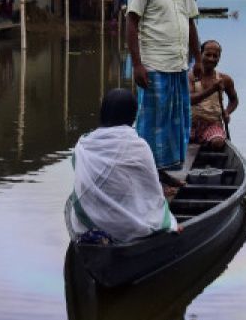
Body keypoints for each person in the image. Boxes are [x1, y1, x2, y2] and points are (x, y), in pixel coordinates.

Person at [126, 0, 201, 170]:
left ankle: (167, 171)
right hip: (153, 65)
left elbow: (190, 22)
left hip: (179, 65)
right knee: (151, 124)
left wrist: (198, 59)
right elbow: (131, 22)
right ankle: (147, 173)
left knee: (175, 123)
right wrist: (137, 64)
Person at [66, 89, 176, 244]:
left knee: (73, 202)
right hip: (134, 227)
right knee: (158, 211)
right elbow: (152, 190)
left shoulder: (84, 143)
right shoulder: (139, 145)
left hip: (92, 221)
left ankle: (98, 238)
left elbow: (80, 175)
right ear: (132, 115)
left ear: (103, 113)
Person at [189, 39, 239, 150]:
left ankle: (205, 143)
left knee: (217, 142)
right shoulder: (190, 77)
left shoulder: (225, 79)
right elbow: (190, 100)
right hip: (190, 124)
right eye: (208, 55)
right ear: (200, 54)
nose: (211, 59)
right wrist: (212, 89)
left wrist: (226, 112)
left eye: (215, 56)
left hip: (212, 124)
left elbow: (234, 100)